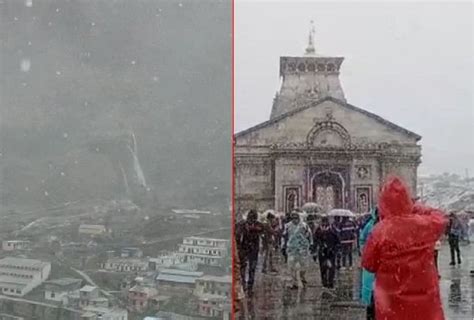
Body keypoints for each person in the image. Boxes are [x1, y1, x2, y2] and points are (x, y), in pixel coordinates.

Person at [361, 176, 447, 320]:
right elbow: (441, 217)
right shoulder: (425, 224)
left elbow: (368, 264)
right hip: (425, 307)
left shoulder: (380, 231)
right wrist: (416, 208)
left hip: (392, 306)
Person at [235, 210, 264, 295]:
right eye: (250, 218)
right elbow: (237, 234)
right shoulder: (242, 224)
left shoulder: (258, 225)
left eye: (253, 218)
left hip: (253, 250)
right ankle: (243, 286)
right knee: (243, 269)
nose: (251, 220)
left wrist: (253, 228)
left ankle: (249, 288)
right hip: (244, 249)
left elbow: (262, 229)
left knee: (252, 269)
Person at [283, 211, 312, 289]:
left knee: (304, 266)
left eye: (296, 218)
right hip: (291, 249)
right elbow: (284, 236)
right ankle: (292, 283)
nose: (295, 220)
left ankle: (302, 277)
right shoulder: (288, 226)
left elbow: (309, 235)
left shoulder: (304, 226)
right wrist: (284, 247)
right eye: (293, 218)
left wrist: (310, 245)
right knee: (291, 266)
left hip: (302, 249)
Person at [359, 207, 378, 320]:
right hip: (372, 264)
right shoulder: (370, 225)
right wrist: (365, 251)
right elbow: (362, 239)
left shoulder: (388, 225)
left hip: (384, 267)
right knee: (371, 296)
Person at [314, 216, 340, 289]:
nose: (324, 224)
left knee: (331, 268)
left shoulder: (332, 229)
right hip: (322, 252)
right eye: (323, 222)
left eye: (325, 222)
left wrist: (335, 249)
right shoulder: (318, 230)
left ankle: (330, 283)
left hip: (331, 251)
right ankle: (324, 283)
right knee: (323, 268)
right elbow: (315, 240)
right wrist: (315, 251)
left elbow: (337, 240)